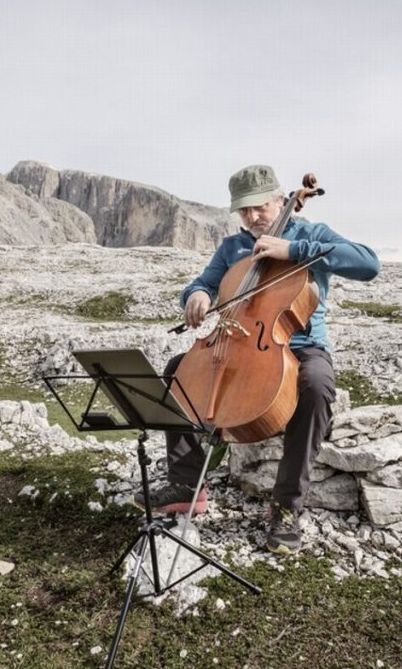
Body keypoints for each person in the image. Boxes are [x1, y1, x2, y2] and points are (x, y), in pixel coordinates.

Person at [136, 164, 381, 554]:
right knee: (176, 371)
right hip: (235, 341)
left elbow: (369, 264)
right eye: (243, 211)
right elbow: (203, 283)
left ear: (280, 201)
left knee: (315, 387)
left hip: (299, 347)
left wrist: (294, 250)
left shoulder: (310, 235)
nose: (251, 218)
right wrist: (196, 297)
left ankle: (286, 506)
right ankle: (187, 484)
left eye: (259, 209)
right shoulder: (233, 248)